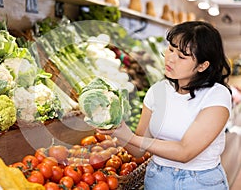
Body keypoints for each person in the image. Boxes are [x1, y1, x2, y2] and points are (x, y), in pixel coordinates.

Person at [97, 21, 232, 190]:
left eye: (182, 56)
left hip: (200, 182)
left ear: (202, 65)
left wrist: (131, 137)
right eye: (171, 49)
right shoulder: (157, 91)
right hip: (157, 180)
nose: (170, 58)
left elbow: (185, 152)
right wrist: (118, 131)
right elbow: (139, 150)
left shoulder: (216, 95)